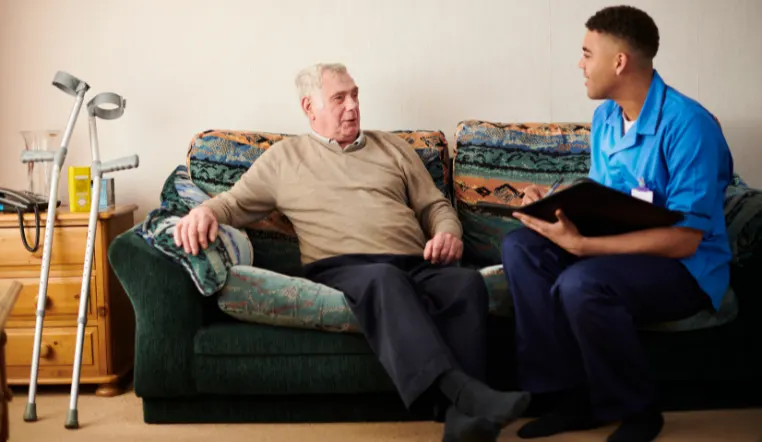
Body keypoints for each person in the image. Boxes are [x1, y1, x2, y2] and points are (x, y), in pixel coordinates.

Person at [173, 62, 530, 442]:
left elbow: (435, 207)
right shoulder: (284, 159)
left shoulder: (393, 147)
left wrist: (448, 233)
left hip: (415, 262)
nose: (352, 106)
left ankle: (461, 420)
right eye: (339, 98)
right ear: (310, 108)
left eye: (355, 95)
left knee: (465, 285)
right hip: (341, 268)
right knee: (385, 279)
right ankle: (467, 393)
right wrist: (203, 212)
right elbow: (232, 204)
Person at [500, 5, 733, 442]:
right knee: (521, 248)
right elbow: (610, 200)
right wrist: (556, 207)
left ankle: (639, 410)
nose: (580, 63)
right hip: (623, 251)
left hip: (684, 268)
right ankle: (569, 399)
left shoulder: (689, 125)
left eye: (587, 53)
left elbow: (684, 240)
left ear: (619, 61)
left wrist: (585, 248)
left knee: (582, 282)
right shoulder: (606, 118)